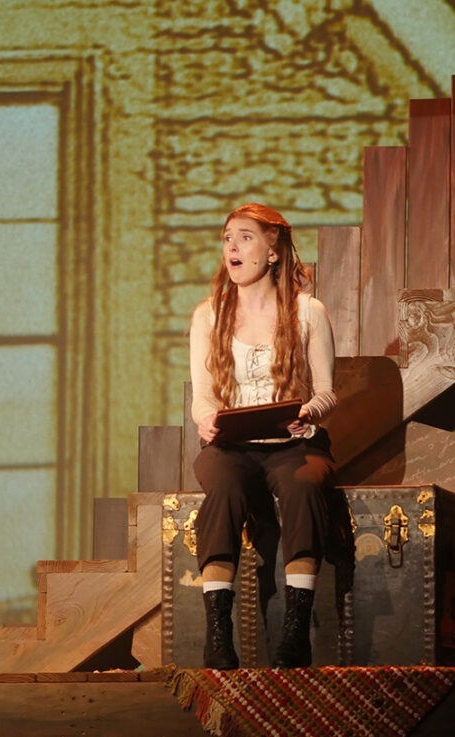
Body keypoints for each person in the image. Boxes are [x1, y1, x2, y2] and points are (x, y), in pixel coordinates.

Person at [189, 203, 337, 670]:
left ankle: (295, 632)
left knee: (304, 486)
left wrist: (307, 412)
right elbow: (202, 397)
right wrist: (207, 419)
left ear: (273, 252)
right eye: (227, 237)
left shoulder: (308, 311)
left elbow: (328, 391)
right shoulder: (208, 315)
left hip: (293, 443)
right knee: (223, 492)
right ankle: (218, 635)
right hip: (231, 446)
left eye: (245, 237)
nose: (232, 246)